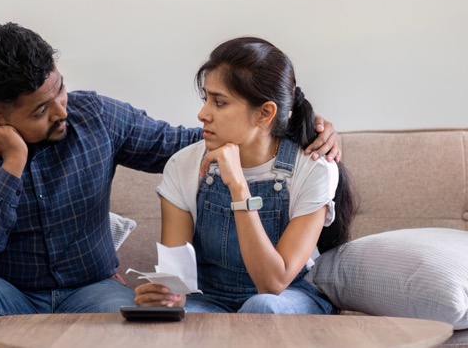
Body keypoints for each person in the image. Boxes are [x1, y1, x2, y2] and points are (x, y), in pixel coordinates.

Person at [0, 23, 341, 346]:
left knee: (142, 329)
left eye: (60, 88)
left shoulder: (97, 118)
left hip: (91, 292)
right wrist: (12, 167)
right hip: (5, 292)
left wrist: (295, 129)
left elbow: (191, 144)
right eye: (42, 110)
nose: (62, 110)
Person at [134, 36, 357, 314]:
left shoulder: (313, 168)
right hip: (209, 299)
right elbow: (177, 286)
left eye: (219, 102)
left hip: (288, 297)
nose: (203, 113)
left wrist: (238, 185)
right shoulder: (183, 165)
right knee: (177, 321)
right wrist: (165, 298)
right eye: (206, 99)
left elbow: (273, 283)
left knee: (262, 307)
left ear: (265, 113)